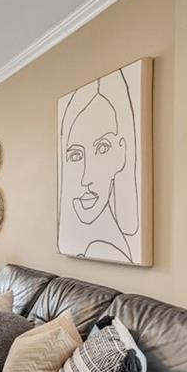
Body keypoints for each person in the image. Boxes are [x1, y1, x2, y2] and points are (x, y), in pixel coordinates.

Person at [58, 67, 140, 263]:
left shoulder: (103, 246)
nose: (86, 179)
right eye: (76, 155)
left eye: (102, 148)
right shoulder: (77, 242)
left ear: (122, 152)